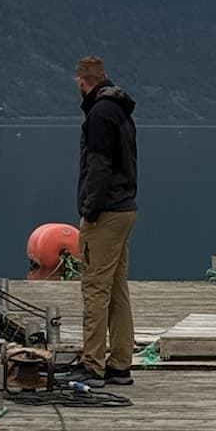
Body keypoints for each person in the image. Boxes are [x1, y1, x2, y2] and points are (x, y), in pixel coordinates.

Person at [75, 54, 138, 384]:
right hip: (126, 207)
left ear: (83, 82)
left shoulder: (99, 114)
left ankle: (93, 365)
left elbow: (98, 166)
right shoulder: (121, 111)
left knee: (95, 287)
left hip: (106, 212)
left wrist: (89, 208)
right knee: (117, 288)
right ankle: (120, 363)